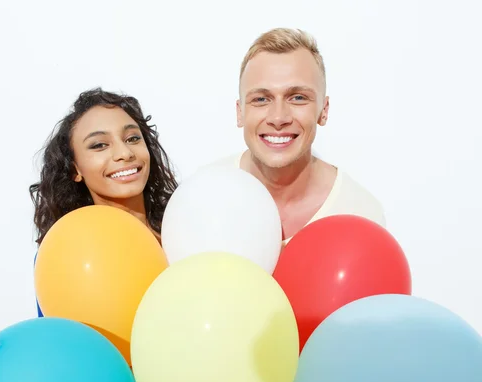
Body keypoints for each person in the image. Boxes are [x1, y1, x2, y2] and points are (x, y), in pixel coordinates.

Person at [211, 27, 386, 246]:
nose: (278, 117)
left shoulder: (361, 214)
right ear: (240, 113)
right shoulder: (204, 196)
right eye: (261, 100)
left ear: (324, 110)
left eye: (298, 97)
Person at [29, 88, 178, 318]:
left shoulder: (183, 228)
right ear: (75, 169)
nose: (124, 152)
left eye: (132, 138)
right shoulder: (65, 255)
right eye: (99, 145)